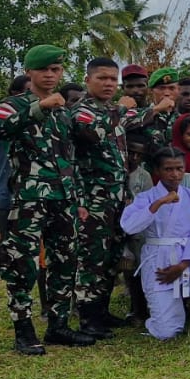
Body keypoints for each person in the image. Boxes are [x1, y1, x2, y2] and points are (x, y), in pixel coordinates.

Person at [0, 44, 96, 353]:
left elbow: (69, 157)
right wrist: (40, 107)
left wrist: (77, 199)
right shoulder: (12, 104)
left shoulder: (64, 111)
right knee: (21, 265)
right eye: (43, 70)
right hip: (26, 199)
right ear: (29, 72)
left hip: (62, 198)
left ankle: (58, 326)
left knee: (65, 261)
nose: (50, 75)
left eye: (56, 70)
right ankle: (23, 331)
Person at [70, 57, 155, 337]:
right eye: (102, 78)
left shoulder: (111, 110)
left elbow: (135, 119)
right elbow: (90, 133)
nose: (109, 84)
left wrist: (158, 108)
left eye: (112, 79)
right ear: (88, 80)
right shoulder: (83, 110)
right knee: (92, 260)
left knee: (110, 259)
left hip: (116, 198)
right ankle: (88, 318)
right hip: (92, 199)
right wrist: (120, 109)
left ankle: (102, 312)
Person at [119, 150, 190, 339]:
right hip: (158, 258)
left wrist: (183, 265)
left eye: (179, 169)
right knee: (167, 332)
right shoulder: (146, 198)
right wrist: (158, 204)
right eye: (168, 169)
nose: (174, 174)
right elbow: (130, 227)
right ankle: (163, 317)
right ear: (157, 170)